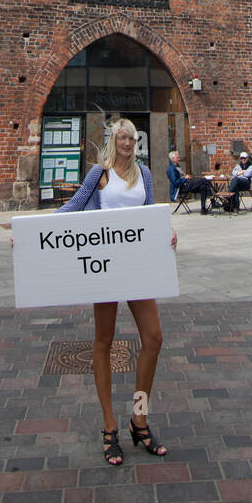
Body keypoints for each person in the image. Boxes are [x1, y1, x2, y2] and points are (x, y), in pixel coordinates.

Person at [53, 119, 177, 466]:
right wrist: (33, 233)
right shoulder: (100, 173)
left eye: (132, 137)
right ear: (113, 140)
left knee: (153, 338)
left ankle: (139, 418)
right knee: (104, 342)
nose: (127, 142)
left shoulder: (145, 175)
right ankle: (109, 427)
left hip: (136, 265)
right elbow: (74, 207)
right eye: (121, 137)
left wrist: (168, 231)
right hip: (105, 266)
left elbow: (151, 213)